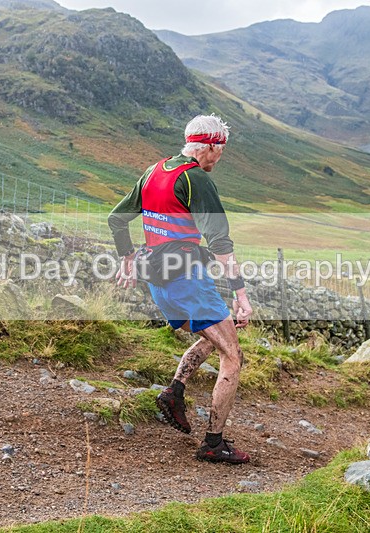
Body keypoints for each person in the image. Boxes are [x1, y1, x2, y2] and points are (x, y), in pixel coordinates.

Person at [107, 113, 253, 464]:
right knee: (233, 356)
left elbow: (116, 218)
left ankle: (174, 393)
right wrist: (240, 294)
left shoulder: (154, 171)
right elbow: (220, 242)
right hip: (188, 281)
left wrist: (128, 257)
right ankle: (213, 443)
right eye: (221, 150)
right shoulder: (196, 179)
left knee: (213, 337)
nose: (221, 157)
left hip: (159, 284)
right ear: (211, 146)